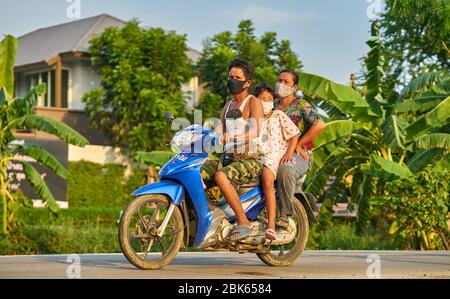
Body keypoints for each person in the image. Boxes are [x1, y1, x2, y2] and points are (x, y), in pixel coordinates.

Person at [200, 58, 264, 241]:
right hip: (227, 158)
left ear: (248, 82)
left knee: (220, 176)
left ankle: (243, 222)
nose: (232, 80)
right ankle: (214, 215)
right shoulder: (228, 105)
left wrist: (234, 137)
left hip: (251, 157)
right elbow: (219, 127)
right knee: (195, 173)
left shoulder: (253, 102)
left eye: (237, 77)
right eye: (230, 76)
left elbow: (255, 130)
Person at [274, 70, 326, 228]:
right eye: (279, 80)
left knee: (286, 169)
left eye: (286, 82)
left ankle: (284, 214)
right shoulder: (272, 105)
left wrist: (298, 144)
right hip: (274, 153)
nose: (281, 84)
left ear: (294, 87)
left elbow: (320, 124)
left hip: (297, 155)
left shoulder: (302, 105)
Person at [252, 83, 300, 240]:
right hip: (255, 155)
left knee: (266, 179)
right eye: (262, 99)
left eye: (269, 99)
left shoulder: (279, 115)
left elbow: (294, 134)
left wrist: (289, 152)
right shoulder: (252, 118)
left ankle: (271, 225)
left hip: (273, 155)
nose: (266, 102)